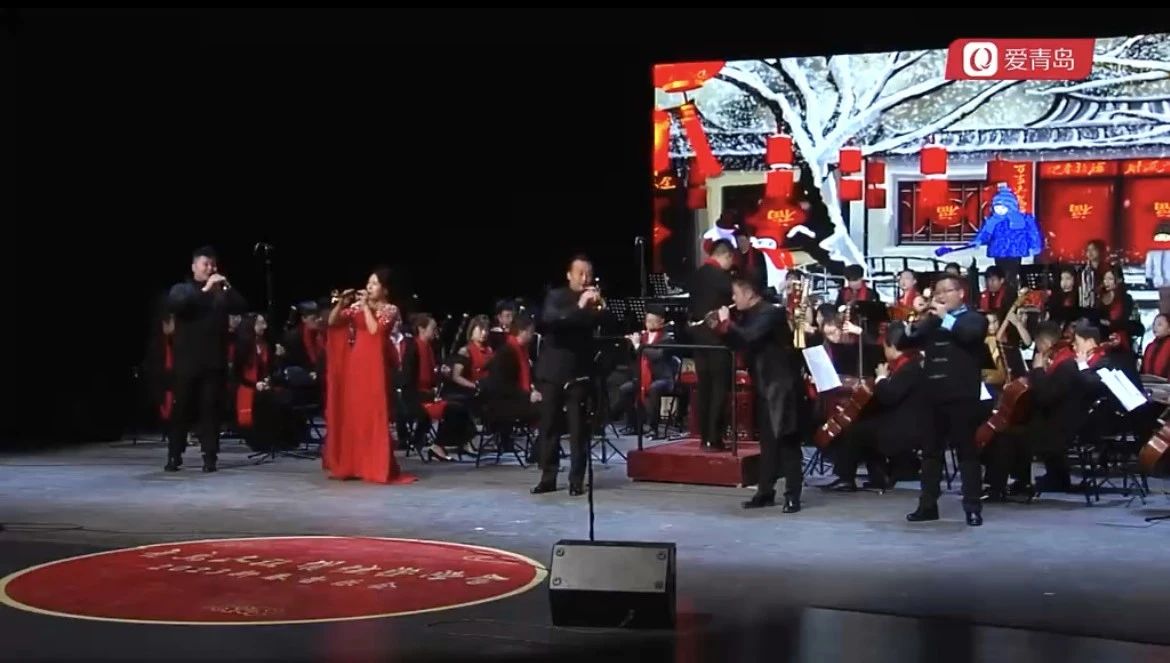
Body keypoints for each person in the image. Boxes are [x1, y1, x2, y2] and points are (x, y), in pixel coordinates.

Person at [903, 275, 989, 526]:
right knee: (930, 453)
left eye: (946, 291)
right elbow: (906, 340)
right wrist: (913, 320)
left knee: (966, 452)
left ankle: (972, 507)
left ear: (961, 293)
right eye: (937, 292)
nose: (940, 296)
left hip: (961, 396)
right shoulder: (932, 321)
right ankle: (927, 505)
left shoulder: (974, 318)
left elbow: (969, 335)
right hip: (932, 395)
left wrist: (945, 318)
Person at [715, 277, 803, 511]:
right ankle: (765, 492)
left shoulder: (771, 313)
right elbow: (739, 344)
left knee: (787, 440)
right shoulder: (749, 315)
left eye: (736, 294)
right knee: (767, 441)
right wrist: (721, 328)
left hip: (781, 386)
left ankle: (793, 494)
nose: (733, 299)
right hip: (763, 384)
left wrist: (728, 323)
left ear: (749, 293)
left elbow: (749, 336)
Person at [323, 267, 416, 484]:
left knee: (374, 411)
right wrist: (341, 303)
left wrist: (365, 307)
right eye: (368, 283)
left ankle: (375, 464)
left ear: (385, 289)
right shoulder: (356, 307)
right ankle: (354, 464)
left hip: (376, 363)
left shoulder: (390, 310)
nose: (369, 287)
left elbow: (375, 331)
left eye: (374, 284)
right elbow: (333, 322)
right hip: (357, 362)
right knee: (355, 413)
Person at [165, 246, 247, 473]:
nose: (210, 268)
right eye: (205, 264)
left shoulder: (220, 293)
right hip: (187, 363)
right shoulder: (182, 289)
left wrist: (227, 287)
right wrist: (206, 288)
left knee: (210, 410)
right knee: (182, 410)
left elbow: (241, 306)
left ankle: (210, 457)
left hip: (214, 362)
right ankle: (174, 455)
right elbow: (178, 306)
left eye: (213, 265)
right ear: (194, 267)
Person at [823, 322, 928, 492]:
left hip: (907, 427)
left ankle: (846, 478)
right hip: (902, 420)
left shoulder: (909, 367)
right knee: (866, 424)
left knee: (855, 430)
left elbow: (889, 396)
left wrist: (881, 378)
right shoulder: (913, 362)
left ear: (891, 346)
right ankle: (878, 476)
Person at [532, 255, 604, 495]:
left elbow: (601, 325)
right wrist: (580, 305)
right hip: (553, 371)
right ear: (569, 275)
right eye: (580, 273)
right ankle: (548, 477)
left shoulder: (593, 300)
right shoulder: (556, 297)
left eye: (588, 274)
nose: (585, 278)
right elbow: (552, 321)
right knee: (549, 426)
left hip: (579, 372)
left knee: (578, 429)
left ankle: (576, 480)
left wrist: (598, 308)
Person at [687, 240, 735, 451]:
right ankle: (714, 438)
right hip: (717, 340)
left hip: (699, 339)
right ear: (726, 256)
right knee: (719, 389)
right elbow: (737, 296)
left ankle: (704, 436)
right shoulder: (722, 277)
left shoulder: (697, 274)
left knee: (704, 388)